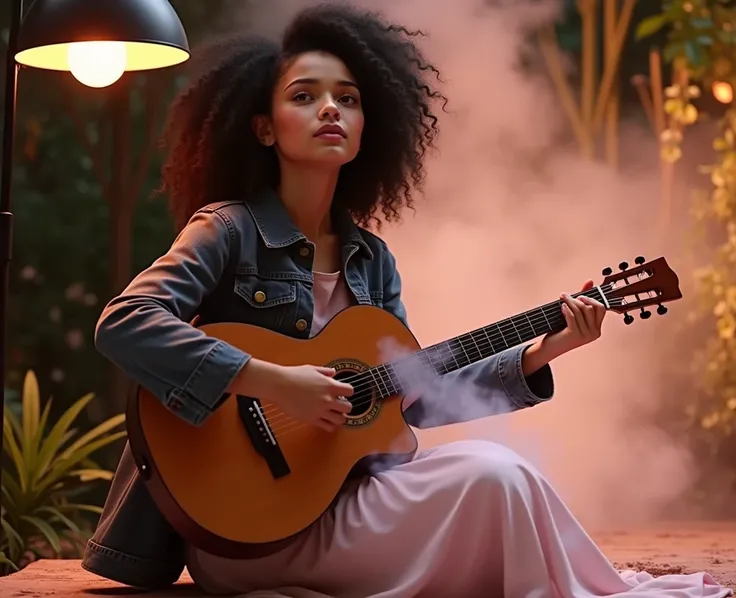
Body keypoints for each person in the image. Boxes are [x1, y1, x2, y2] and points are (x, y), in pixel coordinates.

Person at [82, 4, 731, 597]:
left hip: (344, 500)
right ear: (262, 128)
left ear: (369, 126)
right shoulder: (226, 229)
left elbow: (411, 395)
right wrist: (277, 383)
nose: (330, 109)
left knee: (500, 472)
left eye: (348, 98)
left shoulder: (372, 259)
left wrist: (546, 346)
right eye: (304, 97)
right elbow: (126, 324)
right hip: (246, 526)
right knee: (496, 481)